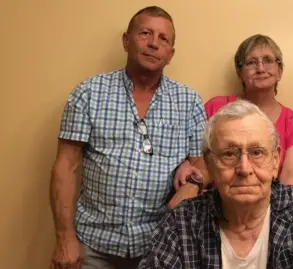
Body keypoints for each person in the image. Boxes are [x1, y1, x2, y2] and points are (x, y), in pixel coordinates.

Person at [49, 6, 209, 269]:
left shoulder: (189, 101)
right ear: (126, 40)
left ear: (170, 54)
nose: (153, 44)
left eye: (163, 39)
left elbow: (202, 163)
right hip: (92, 243)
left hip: (160, 246)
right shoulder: (89, 92)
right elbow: (66, 166)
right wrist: (64, 238)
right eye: (145, 33)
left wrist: (192, 184)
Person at [137, 100, 293, 269]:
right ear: (210, 164)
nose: (244, 168)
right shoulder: (181, 223)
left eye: (257, 152)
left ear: (276, 160)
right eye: (229, 154)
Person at [174, 34, 293, 190]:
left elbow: (289, 187)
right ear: (239, 72)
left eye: (268, 60)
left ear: (280, 71)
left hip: (269, 208)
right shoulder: (215, 108)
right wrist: (185, 164)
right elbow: (198, 162)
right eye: (251, 62)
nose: (260, 68)